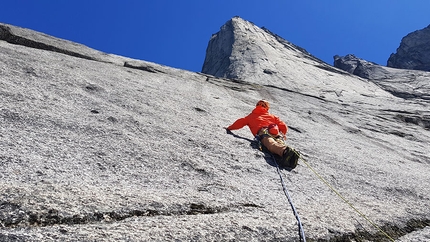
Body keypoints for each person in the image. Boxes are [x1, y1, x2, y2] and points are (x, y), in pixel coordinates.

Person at [225, 100, 298, 169]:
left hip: (263, 132)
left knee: (271, 144)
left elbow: (239, 123)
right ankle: (288, 151)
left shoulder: (251, 116)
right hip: (275, 132)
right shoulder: (272, 116)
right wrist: (283, 133)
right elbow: (283, 125)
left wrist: (229, 128)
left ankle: (285, 152)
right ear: (267, 108)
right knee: (279, 141)